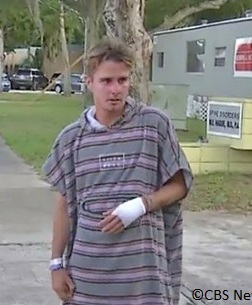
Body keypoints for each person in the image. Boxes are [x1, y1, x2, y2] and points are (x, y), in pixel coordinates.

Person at [42, 38, 193, 305]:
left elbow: (180, 184)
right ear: (88, 82)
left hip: (143, 277)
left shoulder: (154, 126)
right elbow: (64, 204)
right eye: (106, 81)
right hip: (88, 277)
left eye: (122, 80)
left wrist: (141, 205)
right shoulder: (71, 139)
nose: (116, 90)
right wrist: (56, 264)